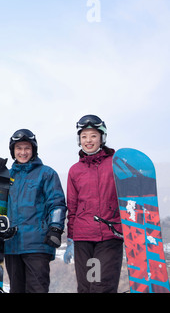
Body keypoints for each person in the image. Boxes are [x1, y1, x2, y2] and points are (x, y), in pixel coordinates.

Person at [66, 114, 123, 293]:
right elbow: (72, 207)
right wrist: (70, 238)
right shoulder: (75, 171)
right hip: (84, 239)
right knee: (87, 287)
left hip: (109, 235)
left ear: (102, 138)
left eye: (93, 136)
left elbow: (127, 197)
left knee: (101, 287)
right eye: (84, 136)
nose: (88, 141)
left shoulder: (116, 164)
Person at [4, 129, 66, 293]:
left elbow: (57, 203)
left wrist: (55, 228)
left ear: (33, 150)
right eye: (18, 148)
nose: (22, 152)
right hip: (12, 244)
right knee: (16, 290)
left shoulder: (46, 173)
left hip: (37, 243)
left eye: (27, 148)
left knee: (37, 289)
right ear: (13, 151)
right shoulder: (7, 176)